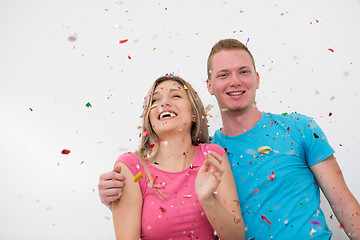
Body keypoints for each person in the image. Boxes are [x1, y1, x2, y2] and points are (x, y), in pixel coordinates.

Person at [99, 39, 360, 239]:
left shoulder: (299, 128)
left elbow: (344, 203)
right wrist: (113, 194)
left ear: (257, 79)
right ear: (210, 86)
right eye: (223, 74)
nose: (235, 81)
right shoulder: (207, 154)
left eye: (244, 72)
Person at [110, 75, 245, 240]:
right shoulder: (131, 167)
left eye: (176, 96)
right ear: (150, 119)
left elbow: (237, 237)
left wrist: (207, 199)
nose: (163, 103)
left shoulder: (212, 156)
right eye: (154, 100)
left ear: (194, 113)